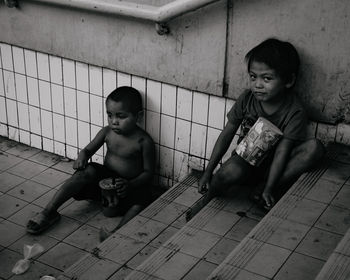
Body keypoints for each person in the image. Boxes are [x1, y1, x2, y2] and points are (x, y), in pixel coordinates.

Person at [197, 38, 324, 212]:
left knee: (314, 148)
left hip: (276, 168)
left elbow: (282, 151)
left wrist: (269, 187)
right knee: (228, 171)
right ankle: (207, 199)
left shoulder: (295, 111)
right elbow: (227, 133)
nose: (258, 84)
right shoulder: (247, 98)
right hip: (245, 163)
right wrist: (207, 172)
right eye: (253, 77)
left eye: (267, 78)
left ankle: (262, 189)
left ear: (288, 80)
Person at [26, 86, 155, 241]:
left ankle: (115, 234)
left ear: (138, 116)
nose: (114, 121)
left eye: (121, 116)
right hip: (104, 184)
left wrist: (131, 184)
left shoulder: (143, 141)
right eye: (110, 115)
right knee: (87, 171)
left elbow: (148, 173)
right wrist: (82, 157)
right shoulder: (107, 132)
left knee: (145, 198)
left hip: (126, 186)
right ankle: (49, 212)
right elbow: (87, 150)